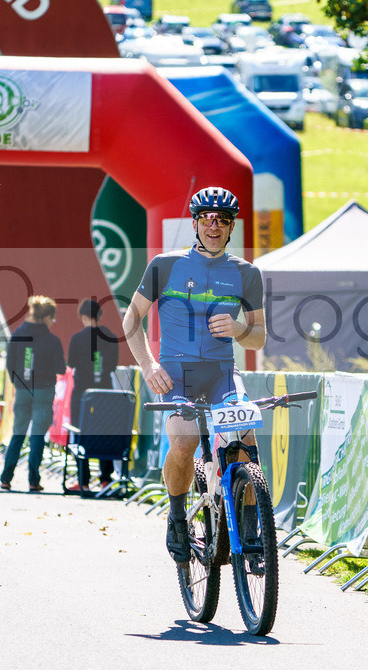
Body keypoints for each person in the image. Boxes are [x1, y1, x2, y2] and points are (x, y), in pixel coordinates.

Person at [122, 186, 266, 564]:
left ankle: (250, 530)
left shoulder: (246, 273)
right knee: (183, 442)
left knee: (246, 439)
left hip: (222, 373)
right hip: (175, 373)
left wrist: (238, 330)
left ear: (232, 226)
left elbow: (259, 336)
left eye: (223, 220)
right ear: (196, 223)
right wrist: (149, 366)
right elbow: (131, 319)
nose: (214, 226)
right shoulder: (165, 265)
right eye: (207, 218)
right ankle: (176, 515)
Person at [1, 295, 66, 492]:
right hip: (44, 390)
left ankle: (6, 477)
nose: (53, 322)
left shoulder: (18, 334)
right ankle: (33, 479)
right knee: (37, 435)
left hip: (22, 389)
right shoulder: (52, 340)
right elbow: (61, 368)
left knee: (18, 433)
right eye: (53, 318)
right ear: (46, 318)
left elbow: (10, 363)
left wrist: (18, 382)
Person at [66, 298, 120, 492]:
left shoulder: (77, 338)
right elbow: (113, 365)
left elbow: (71, 363)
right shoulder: (111, 336)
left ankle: (84, 480)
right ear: (99, 315)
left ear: (83, 317)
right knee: (104, 432)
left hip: (82, 393)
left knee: (81, 433)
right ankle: (106, 478)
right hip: (105, 392)